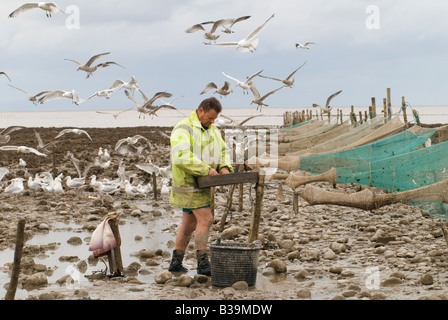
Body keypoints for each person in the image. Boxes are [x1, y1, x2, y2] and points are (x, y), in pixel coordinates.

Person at [168, 97, 233, 276]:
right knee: (206, 219)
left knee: (189, 225)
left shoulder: (213, 130)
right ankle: (203, 264)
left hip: (203, 183)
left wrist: (224, 167)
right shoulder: (183, 128)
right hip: (188, 184)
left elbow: (223, 151)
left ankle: (176, 263)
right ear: (200, 111)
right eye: (210, 118)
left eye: (215, 119)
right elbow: (180, 156)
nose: (212, 122)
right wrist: (206, 169)